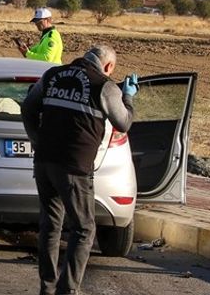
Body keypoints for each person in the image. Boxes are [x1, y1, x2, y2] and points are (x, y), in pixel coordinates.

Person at [22, 45, 136, 295]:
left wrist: (37, 141)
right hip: (75, 167)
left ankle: (48, 287)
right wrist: (127, 97)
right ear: (107, 67)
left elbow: (28, 107)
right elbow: (123, 122)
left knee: (51, 225)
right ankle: (68, 290)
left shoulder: (53, 76)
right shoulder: (104, 86)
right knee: (84, 229)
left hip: (44, 162)